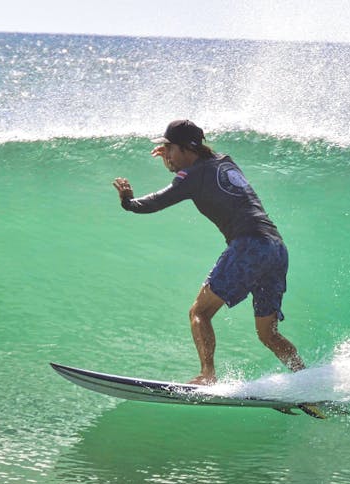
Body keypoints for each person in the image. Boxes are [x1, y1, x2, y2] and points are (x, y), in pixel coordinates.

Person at [113, 119, 306, 385]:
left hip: (249, 245)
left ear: (185, 147)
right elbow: (195, 166)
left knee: (199, 312)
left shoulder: (193, 176)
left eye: (170, 148)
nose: (166, 154)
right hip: (275, 248)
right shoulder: (224, 161)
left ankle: (207, 376)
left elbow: (157, 201)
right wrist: (173, 155)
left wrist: (128, 202)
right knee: (268, 334)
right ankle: (305, 379)